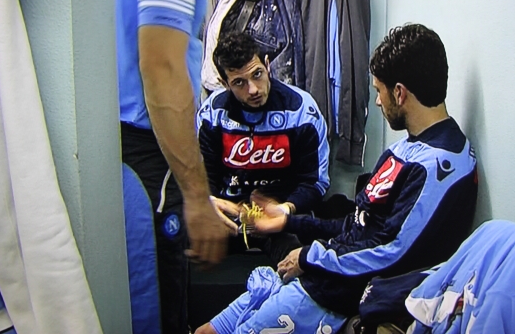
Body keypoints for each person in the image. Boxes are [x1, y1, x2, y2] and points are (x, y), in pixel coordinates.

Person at [194, 23, 480, 334]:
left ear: (399, 93)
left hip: (334, 293)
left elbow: (392, 251)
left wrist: (309, 256)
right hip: (323, 271)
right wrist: (287, 221)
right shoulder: (403, 149)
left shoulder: (441, 165)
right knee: (206, 330)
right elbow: (356, 224)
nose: (378, 102)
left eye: (378, 91)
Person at [115, 0, 248, 332]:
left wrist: (195, 194)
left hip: (144, 159)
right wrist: (193, 196)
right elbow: (161, 66)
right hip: (144, 157)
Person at [197, 31, 330, 258]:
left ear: (267, 65)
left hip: (281, 217)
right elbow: (204, 178)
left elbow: (314, 183)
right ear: (225, 84)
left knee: (300, 258)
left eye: (257, 74)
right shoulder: (212, 115)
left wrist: (284, 210)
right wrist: (211, 203)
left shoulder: (301, 111)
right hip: (229, 215)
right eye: (239, 83)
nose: (253, 90)